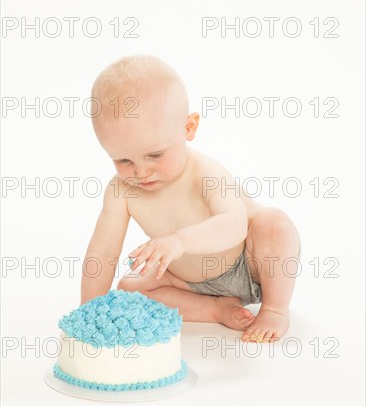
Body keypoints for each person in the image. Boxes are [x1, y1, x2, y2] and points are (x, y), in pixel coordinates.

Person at [81, 55, 301, 343]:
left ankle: (275, 309)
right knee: (130, 287)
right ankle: (215, 309)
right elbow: (102, 252)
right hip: (188, 282)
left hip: (248, 265)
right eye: (123, 160)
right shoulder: (120, 191)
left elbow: (234, 225)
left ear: (188, 128)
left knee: (275, 223)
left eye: (155, 154)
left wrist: (179, 242)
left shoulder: (204, 172)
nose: (141, 171)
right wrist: (89, 311)